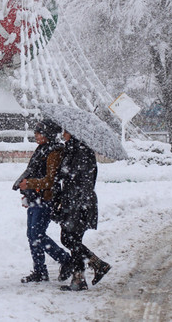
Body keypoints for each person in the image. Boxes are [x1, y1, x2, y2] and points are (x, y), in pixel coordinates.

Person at [53, 129, 111, 291]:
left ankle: (95, 266)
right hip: (73, 202)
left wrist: (67, 177)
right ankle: (80, 278)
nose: (63, 134)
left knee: (70, 239)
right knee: (71, 239)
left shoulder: (83, 152)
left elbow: (84, 180)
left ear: (73, 133)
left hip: (80, 204)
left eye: (66, 131)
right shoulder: (72, 149)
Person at [16, 119, 71, 283]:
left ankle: (65, 260)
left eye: (39, 132)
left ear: (48, 134)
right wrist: (27, 189)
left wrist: (30, 184)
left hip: (46, 198)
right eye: (36, 132)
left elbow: (50, 180)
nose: (36, 135)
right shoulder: (42, 149)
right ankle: (40, 270)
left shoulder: (54, 152)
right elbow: (34, 172)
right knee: (31, 235)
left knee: (37, 234)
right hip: (35, 197)